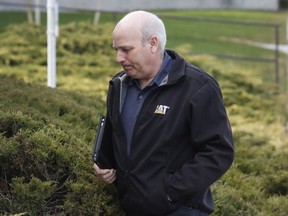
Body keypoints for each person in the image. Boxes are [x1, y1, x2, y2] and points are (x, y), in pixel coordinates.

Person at [93, 10, 234, 216]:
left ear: (153, 43)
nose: (118, 58)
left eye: (126, 49)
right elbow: (120, 137)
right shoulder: (119, 85)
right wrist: (106, 165)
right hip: (130, 207)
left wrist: (169, 191)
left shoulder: (198, 88)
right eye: (116, 49)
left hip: (181, 210)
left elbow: (219, 152)